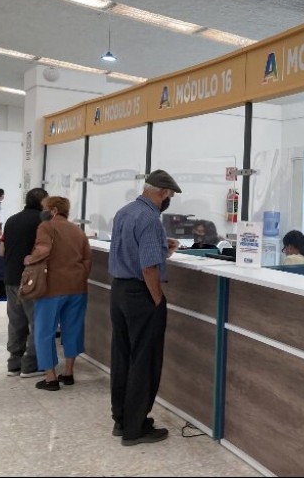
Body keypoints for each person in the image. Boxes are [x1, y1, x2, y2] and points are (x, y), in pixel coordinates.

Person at [108, 169, 182, 446]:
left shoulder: (124, 212)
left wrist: (163, 249)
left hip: (119, 291)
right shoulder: (150, 219)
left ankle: (121, 420)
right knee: (144, 360)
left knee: (123, 357)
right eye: (169, 195)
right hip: (141, 295)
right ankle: (136, 428)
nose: (168, 200)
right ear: (162, 192)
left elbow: (131, 251)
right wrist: (158, 299)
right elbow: (148, 268)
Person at [24, 196, 92, 391]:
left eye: (45, 208)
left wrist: (30, 259)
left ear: (53, 210)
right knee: (73, 329)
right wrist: (79, 276)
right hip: (77, 288)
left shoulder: (46, 226)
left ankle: (50, 378)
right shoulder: (78, 230)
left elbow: (43, 249)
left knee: (45, 331)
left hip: (51, 288)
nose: (43, 212)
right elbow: (87, 259)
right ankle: (68, 373)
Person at [2, 187, 49, 378]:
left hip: (11, 278)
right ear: (42, 202)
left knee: (16, 322)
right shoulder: (43, 221)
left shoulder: (11, 220)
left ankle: (14, 364)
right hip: (32, 279)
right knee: (37, 322)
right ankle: (31, 365)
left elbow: (2, 249)